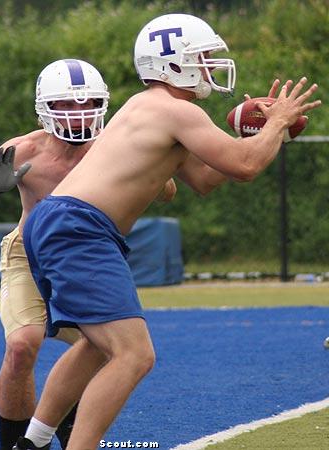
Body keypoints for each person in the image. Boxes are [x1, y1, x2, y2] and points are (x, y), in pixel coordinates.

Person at [16, 13, 321, 450]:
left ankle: (33, 443)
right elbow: (246, 166)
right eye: (202, 58)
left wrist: (261, 133)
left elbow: (206, 179)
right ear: (172, 63)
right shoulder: (177, 110)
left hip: (64, 222)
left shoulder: (153, 107)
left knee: (97, 345)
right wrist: (275, 125)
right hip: (80, 227)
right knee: (134, 355)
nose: (210, 66)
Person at [0, 59, 112, 450]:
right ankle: (15, 444)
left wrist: (142, 169)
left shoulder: (112, 147)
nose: (78, 112)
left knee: (107, 349)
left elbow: (166, 189)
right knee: (22, 346)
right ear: (44, 108)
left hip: (88, 256)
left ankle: (70, 428)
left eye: (86, 102)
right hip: (29, 252)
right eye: (66, 105)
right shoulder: (24, 149)